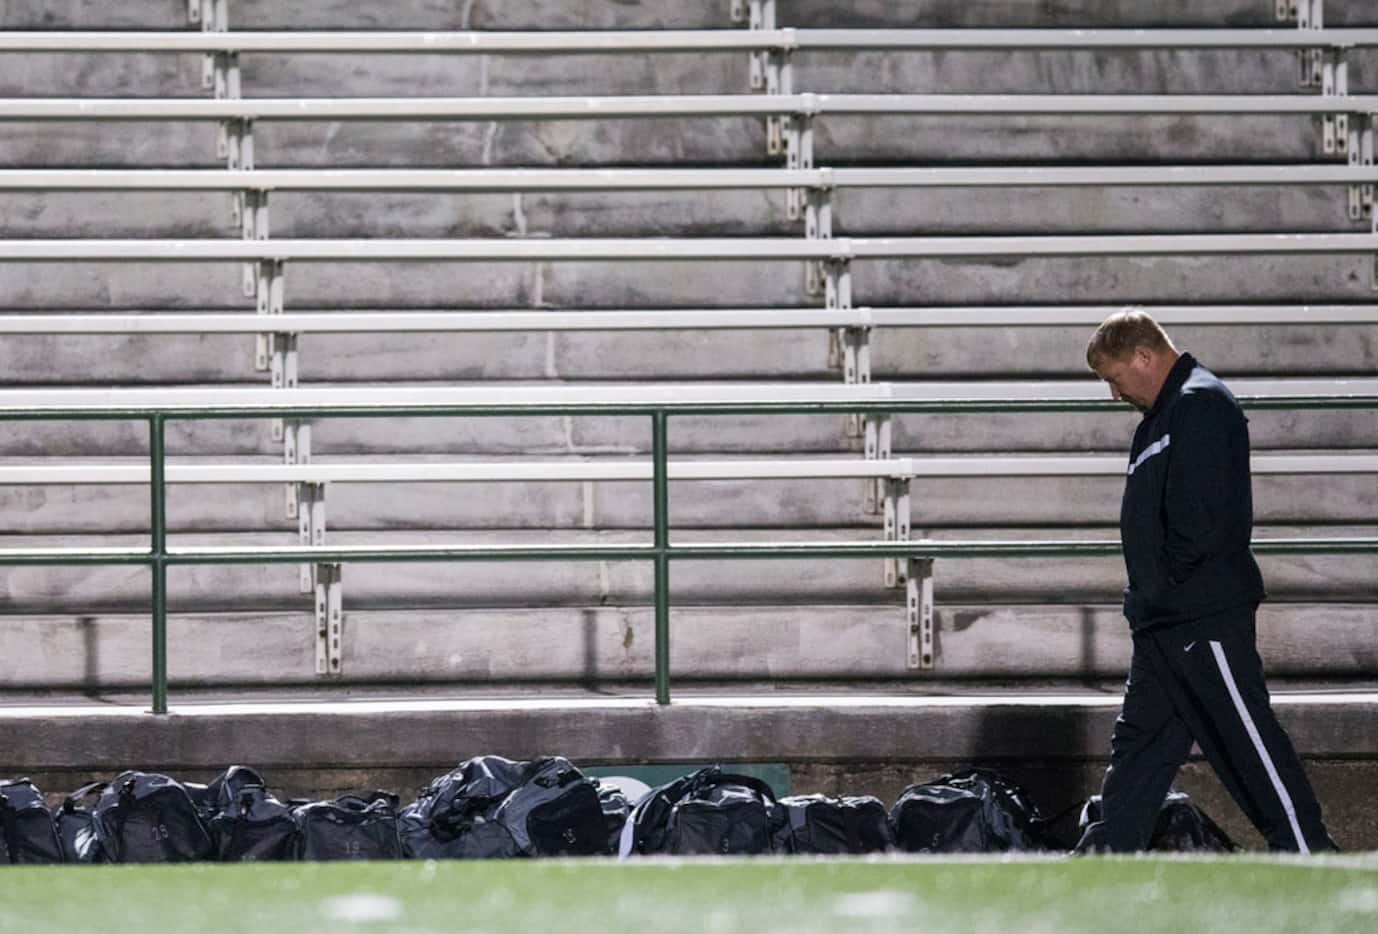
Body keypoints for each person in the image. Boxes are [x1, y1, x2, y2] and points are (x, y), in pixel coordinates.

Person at [1075, 308, 1335, 853]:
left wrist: (1162, 592)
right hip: (1162, 625)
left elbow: (1200, 527)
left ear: (1143, 356)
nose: (1113, 393)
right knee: (1138, 756)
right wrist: (1148, 604)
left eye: (1114, 378)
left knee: (1249, 745)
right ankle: (1102, 868)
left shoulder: (1200, 405)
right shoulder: (1165, 414)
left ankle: (1312, 857)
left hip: (1199, 620)